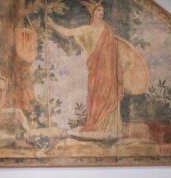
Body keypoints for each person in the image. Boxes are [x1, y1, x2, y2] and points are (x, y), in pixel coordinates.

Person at [47, 1, 149, 134]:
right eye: (98, 11)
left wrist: (121, 67)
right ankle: (97, 125)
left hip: (110, 71)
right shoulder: (86, 30)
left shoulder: (107, 29)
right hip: (96, 70)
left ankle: (110, 128)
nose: (101, 13)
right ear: (93, 13)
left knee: (109, 96)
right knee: (96, 97)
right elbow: (68, 32)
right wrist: (52, 24)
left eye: (102, 11)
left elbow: (115, 52)